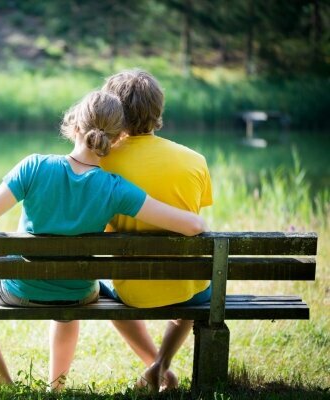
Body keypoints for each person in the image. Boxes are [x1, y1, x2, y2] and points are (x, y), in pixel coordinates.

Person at [0, 90, 207, 391]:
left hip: (22, 288)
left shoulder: (34, 166)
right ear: (118, 137)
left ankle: (6, 386)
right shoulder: (115, 187)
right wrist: (198, 220)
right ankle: (55, 387)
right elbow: (192, 226)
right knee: (67, 295)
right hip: (79, 292)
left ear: (73, 126)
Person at [99, 69, 214, 392]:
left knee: (103, 290)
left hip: (130, 291)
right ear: (158, 109)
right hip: (188, 286)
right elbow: (192, 218)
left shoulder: (101, 163)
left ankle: (158, 368)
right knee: (191, 285)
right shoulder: (194, 160)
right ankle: (161, 365)